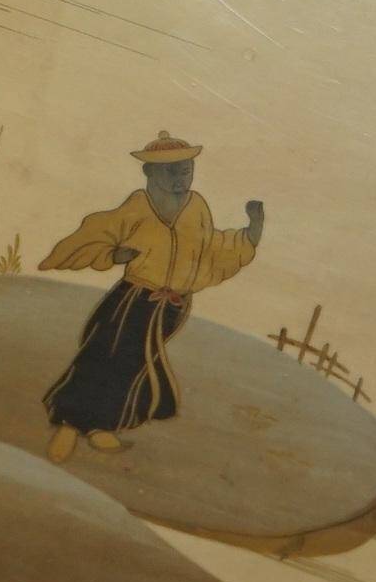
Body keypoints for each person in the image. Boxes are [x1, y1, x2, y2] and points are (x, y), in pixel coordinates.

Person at [39, 133, 264, 460]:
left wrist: (251, 232)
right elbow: (98, 231)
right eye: (171, 172)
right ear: (150, 174)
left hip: (172, 305)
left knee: (131, 365)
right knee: (101, 355)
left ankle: (101, 426)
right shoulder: (138, 205)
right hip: (133, 297)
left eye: (186, 171)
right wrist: (114, 256)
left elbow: (211, 246)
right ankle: (69, 425)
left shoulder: (196, 205)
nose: (180, 179)